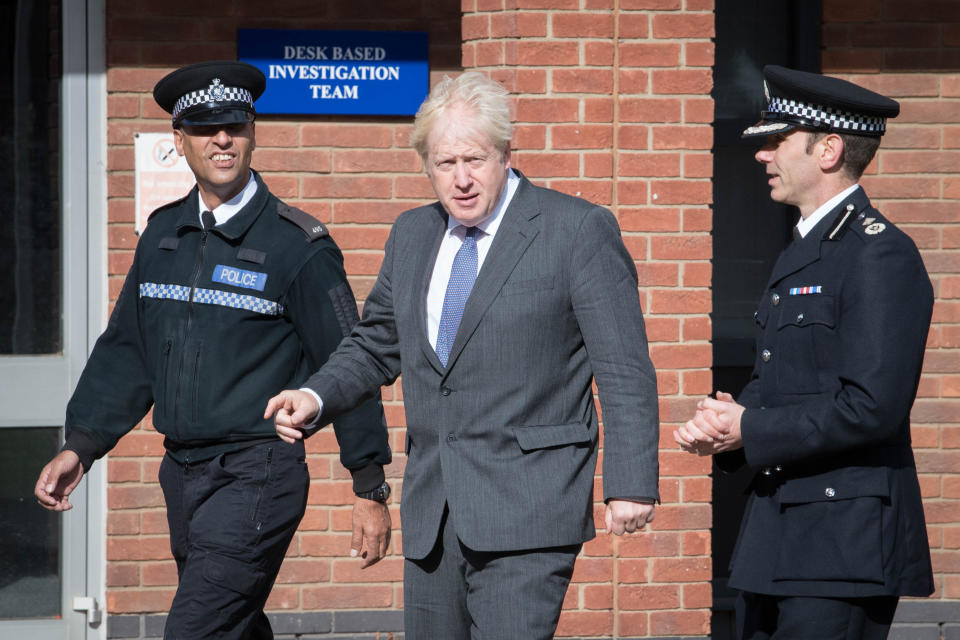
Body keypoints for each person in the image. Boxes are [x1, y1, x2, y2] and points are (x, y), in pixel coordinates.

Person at [264, 71, 660, 639]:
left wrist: (630, 483)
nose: (462, 180)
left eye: (474, 159)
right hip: (434, 511)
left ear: (504, 152)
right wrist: (314, 394)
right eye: (445, 164)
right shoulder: (412, 233)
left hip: (530, 504)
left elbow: (623, 368)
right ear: (426, 166)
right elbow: (377, 342)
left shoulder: (576, 230)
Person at [34, 61, 392, 640]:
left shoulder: (296, 245)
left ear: (253, 133)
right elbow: (128, 351)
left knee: (196, 631)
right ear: (179, 141)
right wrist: (82, 445)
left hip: (258, 474)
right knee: (235, 625)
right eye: (204, 128)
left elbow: (353, 363)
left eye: (235, 125)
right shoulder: (162, 235)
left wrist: (368, 484)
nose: (222, 139)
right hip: (182, 473)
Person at [675, 65, 934, 639]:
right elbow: (786, 379)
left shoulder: (879, 255)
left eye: (777, 139)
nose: (763, 155)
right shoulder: (804, 249)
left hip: (844, 543)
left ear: (829, 149)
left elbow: (873, 406)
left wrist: (752, 427)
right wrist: (727, 425)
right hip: (778, 532)